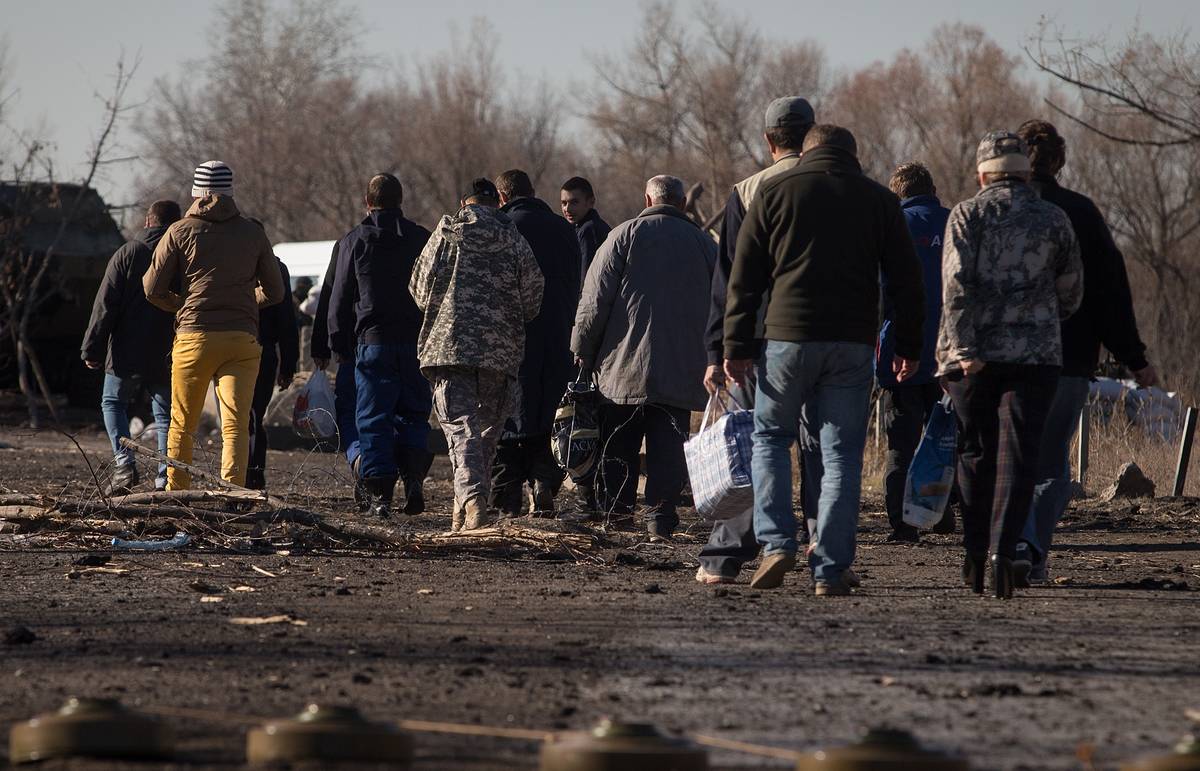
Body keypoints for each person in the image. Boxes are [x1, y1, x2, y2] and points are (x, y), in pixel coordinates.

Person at [724, 125, 925, 595]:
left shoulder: (774, 191)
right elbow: (906, 281)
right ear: (852, 155)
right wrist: (909, 347)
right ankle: (831, 566)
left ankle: (776, 545)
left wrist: (735, 345)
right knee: (839, 454)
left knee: (771, 438)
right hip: (852, 344)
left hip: (786, 341)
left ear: (807, 151)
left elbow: (744, 276)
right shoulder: (879, 201)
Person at [937, 131, 1083, 599]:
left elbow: (955, 285)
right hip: (1035, 355)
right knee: (1021, 456)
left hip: (972, 356)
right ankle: (1005, 553)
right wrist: (1038, 319)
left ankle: (975, 555)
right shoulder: (1055, 218)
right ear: (1026, 172)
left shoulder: (966, 214)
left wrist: (963, 349)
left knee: (975, 452)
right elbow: (1071, 291)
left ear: (982, 174)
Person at [1014, 120, 1156, 583]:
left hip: (1004, 357)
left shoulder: (996, 210)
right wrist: (1133, 357)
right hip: (1069, 357)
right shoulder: (1081, 213)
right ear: (1060, 160)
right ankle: (1032, 547)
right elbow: (1110, 292)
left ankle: (1014, 543)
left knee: (1007, 456)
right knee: (1053, 462)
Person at [696, 96, 818, 584]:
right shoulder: (840, 187)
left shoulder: (746, 191)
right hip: (827, 338)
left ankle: (727, 556)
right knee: (821, 446)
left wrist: (718, 350)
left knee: (750, 445)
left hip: (758, 341)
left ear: (768, 140)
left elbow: (728, 282)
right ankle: (820, 544)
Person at [572, 175, 716, 542]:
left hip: (622, 367)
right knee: (668, 445)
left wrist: (582, 351)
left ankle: (618, 515)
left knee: (619, 439)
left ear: (647, 200)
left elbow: (594, 303)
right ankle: (659, 520)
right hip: (682, 368)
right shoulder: (704, 245)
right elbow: (725, 305)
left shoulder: (622, 236)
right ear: (682, 204)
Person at [410, 178, 544, 532]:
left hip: (450, 347)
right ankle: (467, 509)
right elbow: (533, 299)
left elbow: (419, 289)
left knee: (460, 430)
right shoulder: (514, 239)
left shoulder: (446, 233)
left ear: (463, 202)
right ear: (496, 202)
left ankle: (471, 502)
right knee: (484, 435)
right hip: (500, 353)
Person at [143, 161, 286, 489]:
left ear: (197, 193)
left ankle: (178, 494)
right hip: (241, 339)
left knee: (182, 423)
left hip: (194, 337)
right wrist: (247, 303)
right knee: (235, 423)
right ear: (230, 191)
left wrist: (181, 306)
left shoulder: (179, 231)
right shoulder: (253, 232)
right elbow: (276, 291)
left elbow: (152, 289)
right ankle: (232, 494)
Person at [328, 174, 434, 518]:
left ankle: (380, 494)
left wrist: (337, 342)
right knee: (414, 413)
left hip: (372, 343)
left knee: (373, 417)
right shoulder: (422, 238)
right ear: (401, 200)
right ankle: (414, 477)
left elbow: (340, 296)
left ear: (366, 201)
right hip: (416, 342)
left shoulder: (355, 241)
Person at [492, 169, 580, 517]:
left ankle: (508, 494)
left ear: (503, 197)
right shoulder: (563, 229)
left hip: (512, 339)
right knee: (550, 414)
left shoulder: (502, 228)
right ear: (533, 192)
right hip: (557, 336)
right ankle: (545, 481)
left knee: (509, 415)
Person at [81, 200, 182, 494]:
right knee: (165, 414)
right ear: (176, 225)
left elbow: (105, 304)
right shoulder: (183, 256)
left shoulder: (128, 253)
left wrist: (92, 348)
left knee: (113, 403)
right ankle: (166, 477)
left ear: (148, 223)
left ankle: (125, 466)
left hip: (126, 349)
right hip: (168, 350)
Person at [878, 162, 953, 543]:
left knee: (901, 442)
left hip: (900, 353)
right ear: (932, 188)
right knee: (946, 437)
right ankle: (943, 513)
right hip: (952, 353)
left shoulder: (893, 227)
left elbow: (880, 292)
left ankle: (904, 524)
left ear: (897, 193)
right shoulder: (956, 222)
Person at [245, 220, 299, 491]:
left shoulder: (234, 266)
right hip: (265, 353)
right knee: (255, 416)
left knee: (241, 418)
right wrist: (288, 364)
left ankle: (243, 475)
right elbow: (286, 319)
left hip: (237, 349)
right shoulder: (277, 269)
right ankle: (255, 474)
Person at [311, 242, 362, 479]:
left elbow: (333, 295)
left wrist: (323, 346)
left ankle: (358, 455)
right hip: (404, 344)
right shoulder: (416, 237)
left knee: (349, 410)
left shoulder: (349, 243)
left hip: (354, 346)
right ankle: (402, 469)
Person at [560, 176, 611, 281]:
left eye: (574, 202)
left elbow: (586, 278)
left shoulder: (589, 230)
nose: (567, 209)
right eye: (564, 203)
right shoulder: (583, 228)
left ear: (591, 202)